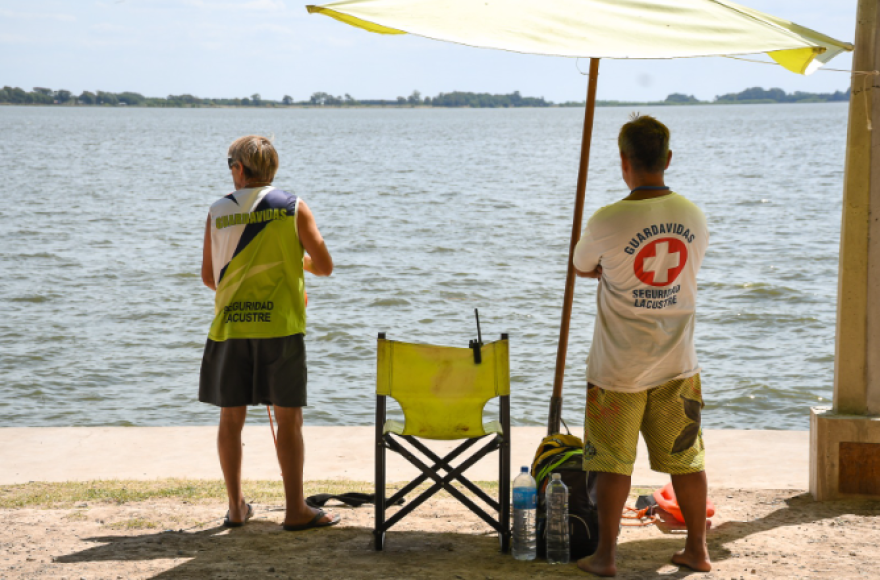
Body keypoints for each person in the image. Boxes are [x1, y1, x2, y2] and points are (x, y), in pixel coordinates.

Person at [572, 115, 710, 576]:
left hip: (617, 369)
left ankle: (607, 557)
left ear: (623, 161)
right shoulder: (693, 215)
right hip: (678, 363)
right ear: (667, 159)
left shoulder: (608, 219)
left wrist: (609, 269)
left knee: (612, 462)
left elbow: (581, 265)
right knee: (687, 459)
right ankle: (697, 550)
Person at [199, 135, 338, 531]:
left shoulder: (217, 210)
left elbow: (210, 278)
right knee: (289, 419)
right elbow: (324, 265)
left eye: (230, 164)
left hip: (231, 328)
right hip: (281, 328)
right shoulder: (293, 207)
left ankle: (236, 508)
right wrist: (297, 263)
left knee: (231, 418)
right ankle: (295, 509)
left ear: (240, 169)